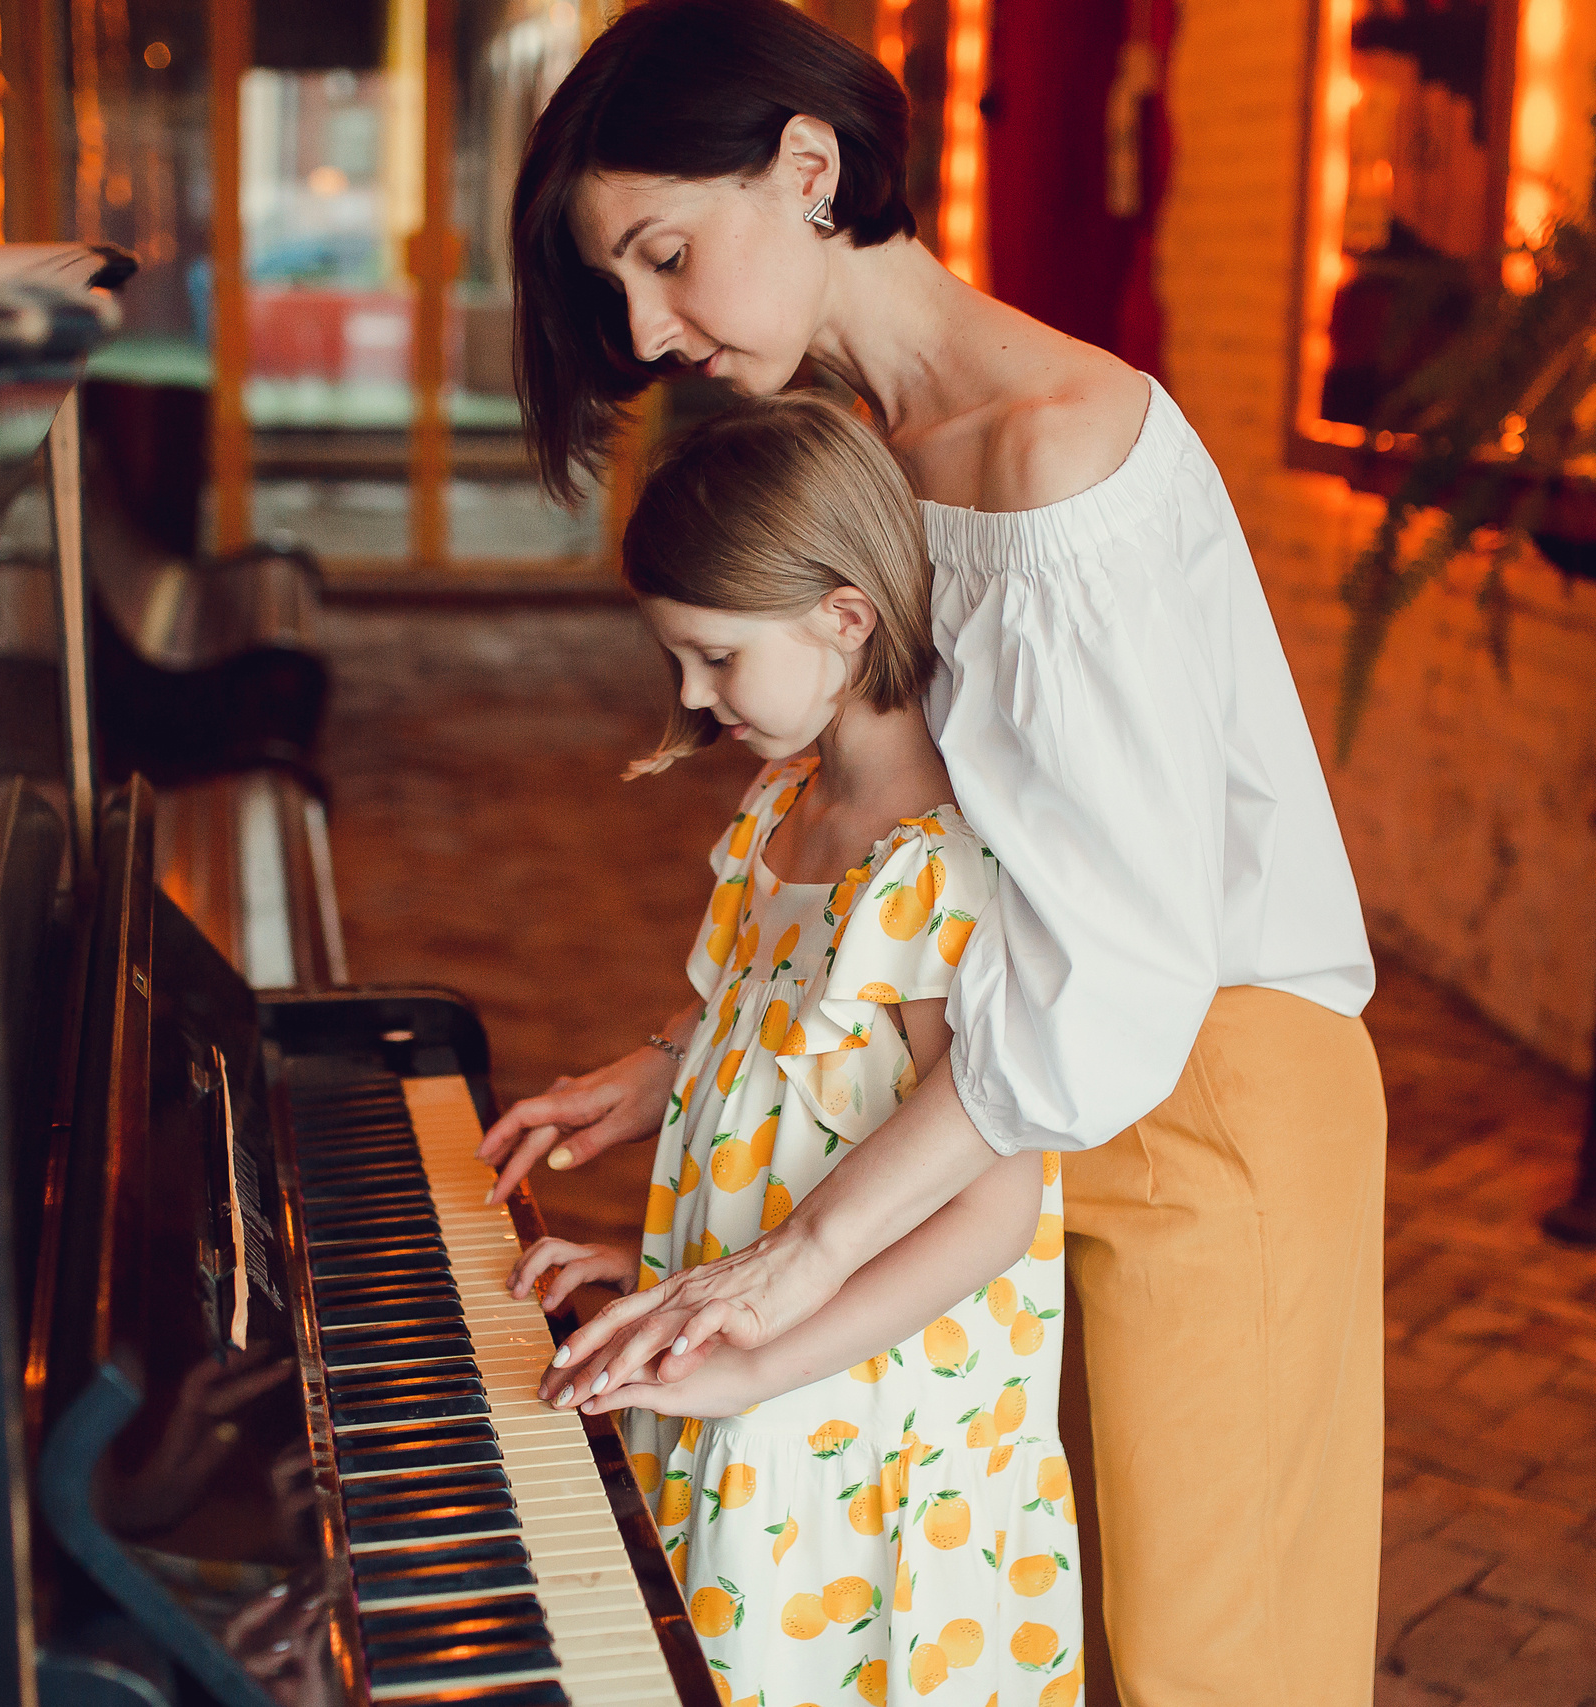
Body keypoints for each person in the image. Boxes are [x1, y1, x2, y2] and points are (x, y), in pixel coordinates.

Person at [480, 2, 1387, 1702]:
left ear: (806, 168)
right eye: (617, 285)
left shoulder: (1058, 450)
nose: (647, 326)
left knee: (1215, 1668)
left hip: (1203, 1096)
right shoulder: (888, 459)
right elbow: (927, 883)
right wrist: (687, 1073)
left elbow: (1120, 970)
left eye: (664, 255)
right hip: (999, 1093)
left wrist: (805, 1252)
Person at [507, 391, 1081, 1706]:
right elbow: (774, 1069)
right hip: (759, 1362)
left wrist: (756, 1364)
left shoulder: (940, 871)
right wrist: (665, 1259)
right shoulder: (787, 804)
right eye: (679, 660)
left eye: (716, 656)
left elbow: (992, 1210)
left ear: (845, 617)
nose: (692, 696)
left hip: (862, 1421)